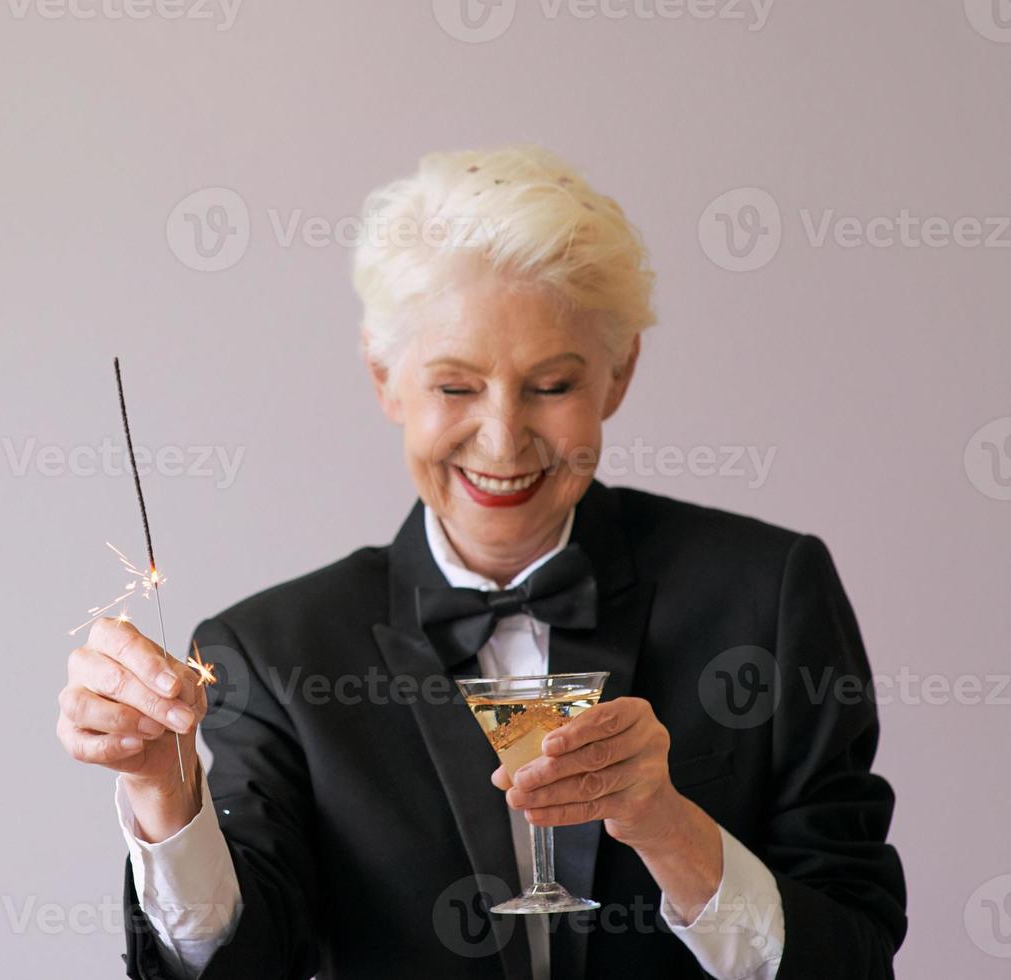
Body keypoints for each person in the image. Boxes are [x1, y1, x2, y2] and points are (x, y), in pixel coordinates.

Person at [57, 145, 907, 979]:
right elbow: (238, 968)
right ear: (385, 378)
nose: (502, 440)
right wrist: (162, 795)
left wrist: (670, 827)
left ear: (618, 375)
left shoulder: (770, 594)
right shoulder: (270, 650)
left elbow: (855, 960)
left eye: (551, 385)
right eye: (455, 388)